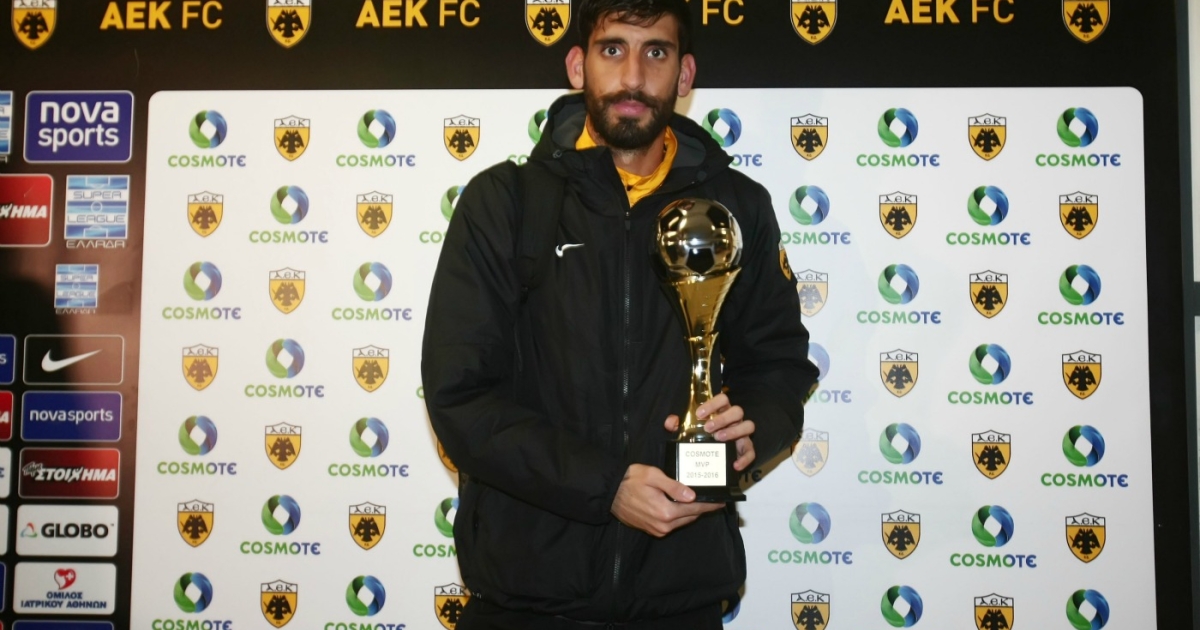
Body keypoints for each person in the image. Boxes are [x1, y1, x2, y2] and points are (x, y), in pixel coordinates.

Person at [422, 1, 818, 627]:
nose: (633, 76)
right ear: (577, 66)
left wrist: (748, 434)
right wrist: (606, 488)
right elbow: (460, 396)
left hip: (679, 593)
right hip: (524, 599)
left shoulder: (736, 207)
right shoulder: (506, 203)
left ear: (685, 74)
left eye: (656, 52)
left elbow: (779, 365)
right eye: (613, 49)